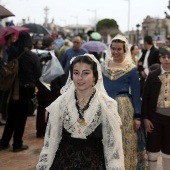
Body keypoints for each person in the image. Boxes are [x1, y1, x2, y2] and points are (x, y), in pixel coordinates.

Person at [36, 54, 125, 170]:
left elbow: (113, 146)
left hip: (94, 164)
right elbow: (51, 141)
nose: (80, 78)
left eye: (86, 73)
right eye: (76, 73)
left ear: (95, 76)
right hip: (63, 163)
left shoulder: (107, 105)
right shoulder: (61, 103)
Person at [101, 34, 147, 169]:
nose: (115, 52)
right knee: (107, 141)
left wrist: (137, 116)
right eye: (113, 48)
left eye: (119, 49)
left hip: (124, 109)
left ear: (124, 50)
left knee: (124, 141)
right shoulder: (103, 66)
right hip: (106, 107)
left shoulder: (131, 69)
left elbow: (136, 93)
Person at [0, 32, 41, 152]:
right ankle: (17, 144)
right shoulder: (33, 57)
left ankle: (4, 142)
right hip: (27, 91)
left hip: (13, 90)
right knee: (21, 118)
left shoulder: (13, 53)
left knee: (11, 116)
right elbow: (38, 74)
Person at [142, 46, 170, 170]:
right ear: (159, 58)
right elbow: (145, 99)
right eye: (164, 57)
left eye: (169, 57)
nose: (167, 59)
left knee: (168, 151)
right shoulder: (153, 75)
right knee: (152, 149)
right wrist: (146, 119)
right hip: (155, 118)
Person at [35, 35, 61, 138]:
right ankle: (49, 130)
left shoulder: (37, 53)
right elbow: (57, 71)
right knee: (52, 109)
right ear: (51, 44)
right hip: (52, 86)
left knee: (41, 109)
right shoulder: (54, 54)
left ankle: (39, 131)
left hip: (41, 86)